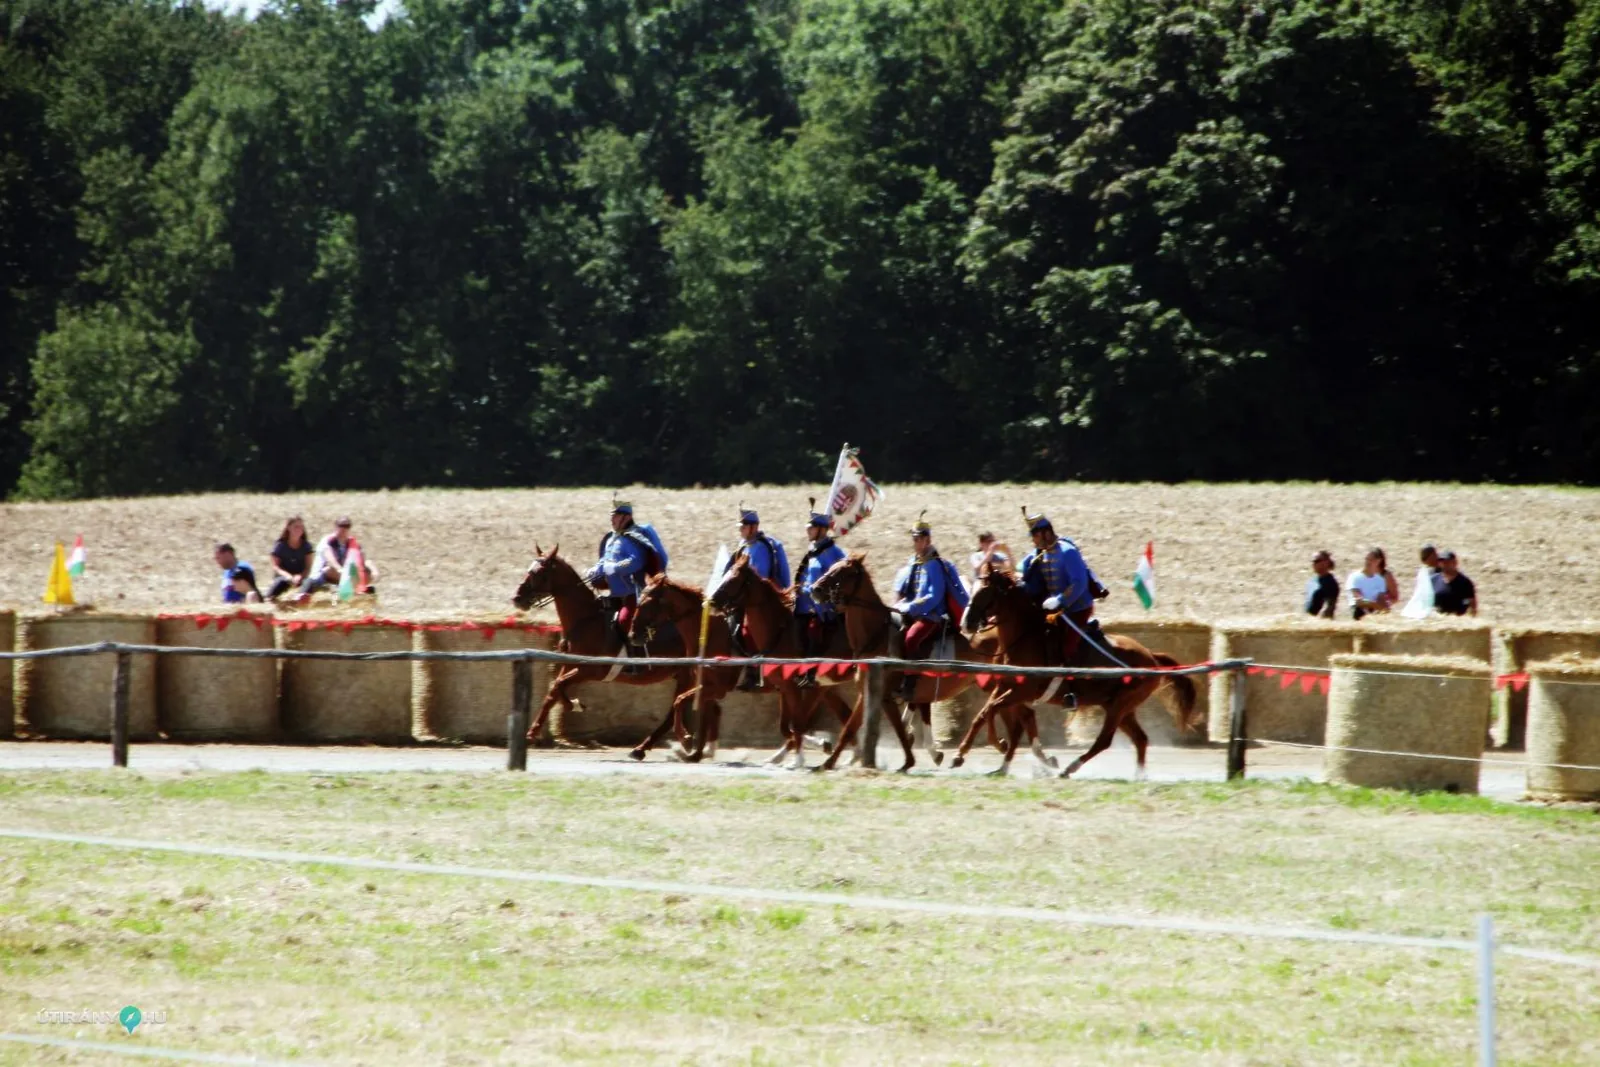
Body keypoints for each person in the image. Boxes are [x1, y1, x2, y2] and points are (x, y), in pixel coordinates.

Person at [891, 513, 969, 700]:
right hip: (911, 612)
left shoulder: (934, 564)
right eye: (914, 539)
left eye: (918, 539)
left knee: (911, 638)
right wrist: (900, 605)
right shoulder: (915, 561)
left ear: (927, 540)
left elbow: (934, 596)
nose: (915, 542)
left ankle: (910, 682)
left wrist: (911, 608)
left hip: (932, 616)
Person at [1018, 510, 1102, 662]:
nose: (1034, 541)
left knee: (1066, 649)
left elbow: (1079, 582)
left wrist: (1060, 600)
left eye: (1035, 536)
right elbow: (1022, 566)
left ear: (1046, 533)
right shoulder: (1040, 553)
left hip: (1078, 608)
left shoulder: (1067, 552)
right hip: (1056, 610)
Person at [722, 506, 791, 690]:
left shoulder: (763, 547)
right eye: (740, 527)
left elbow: (759, 576)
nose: (740, 530)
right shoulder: (742, 546)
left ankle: (756, 671)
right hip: (745, 597)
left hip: (763, 599)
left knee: (749, 632)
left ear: (753, 527)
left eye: (743, 527)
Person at [582, 500, 667, 648]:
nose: (611, 519)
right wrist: (593, 570)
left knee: (624, 621)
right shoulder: (611, 538)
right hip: (614, 593)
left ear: (626, 517)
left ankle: (633, 661)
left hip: (633, 593)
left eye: (615, 516)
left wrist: (615, 568)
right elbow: (604, 560)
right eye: (612, 516)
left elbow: (636, 561)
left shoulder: (633, 538)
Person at [792, 501, 845, 689]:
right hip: (805, 605)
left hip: (824, 608)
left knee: (814, 630)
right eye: (808, 527)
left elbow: (841, 580)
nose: (808, 531)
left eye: (811, 528)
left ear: (822, 530)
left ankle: (811, 673)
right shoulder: (813, 552)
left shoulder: (834, 553)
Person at [309, 517, 378, 600]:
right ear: (335, 527)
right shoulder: (328, 541)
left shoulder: (351, 542)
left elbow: (361, 559)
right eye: (341, 525)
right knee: (331, 569)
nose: (344, 529)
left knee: (367, 571)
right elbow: (331, 560)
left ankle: (355, 588)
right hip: (326, 574)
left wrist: (373, 571)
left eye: (347, 526)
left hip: (345, 573)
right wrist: (341, 570)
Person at [266, 516, 315, 601]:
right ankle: (269, 598)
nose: (299, 529)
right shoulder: (280, 546)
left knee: (309, 582)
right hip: (284, 577)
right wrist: (288, 576)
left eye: (301, 527)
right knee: (280, 582)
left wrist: (300, 576)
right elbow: (276, 567)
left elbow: (308, 567)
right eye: (296, 527)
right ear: (288, 528)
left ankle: (300, 598)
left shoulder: (307, 546)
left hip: (300, 578)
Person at [1348, 548, 1395, 620]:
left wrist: (1384, 609)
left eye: (1371, 560)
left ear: (1378, 561)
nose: (1368, 562)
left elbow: (1381, 600)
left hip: (1373, 610)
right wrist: (1375, 605)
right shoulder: (1354, 577)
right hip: (1358, 610)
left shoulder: (1380, 580)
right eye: (1367, 559)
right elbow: (1359, 600)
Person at [1434, 550, 1478, 616]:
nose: (1444, 564)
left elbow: (1472, 605)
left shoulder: (1465, 582)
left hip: (1458, 621)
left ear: (1455, 563)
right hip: (1438, 621)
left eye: (1447, 562)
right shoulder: (1433, 580)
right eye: (1442, 562)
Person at [1304, 550, 1339, 618]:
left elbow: (1329, 607)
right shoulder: (1312, 581)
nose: (1313, 564)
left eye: (1316, 561)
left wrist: (1317, 621)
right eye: (1313, 561)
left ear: (1326, 562)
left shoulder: (1330, 583)